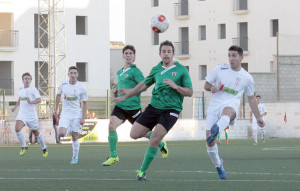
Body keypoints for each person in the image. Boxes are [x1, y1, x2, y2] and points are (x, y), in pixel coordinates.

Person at [113, 40, 193, 181]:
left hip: (171, 110)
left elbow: (190, 92)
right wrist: (125, 96)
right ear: (160, 53)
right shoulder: (156, 69)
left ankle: (142, 171)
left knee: (154, 139)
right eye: (164, 52)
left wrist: (176, 87)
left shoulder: (181, 70)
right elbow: (143, 86)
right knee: (134, 134)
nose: (166, 54)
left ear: (173, 54)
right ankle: (161, 143)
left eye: (169, 52)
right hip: (154, 107)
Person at [204, 45, 265, 179]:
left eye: (234, 56)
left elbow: (251, 99)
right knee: (209, 142)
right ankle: (218, 164)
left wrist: (258, 117)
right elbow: (206, 85)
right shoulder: (220, 69)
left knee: (228, 112)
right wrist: (212, 88)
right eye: (229, 55)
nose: (231, 59)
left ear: (241, 57)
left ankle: (217, 129)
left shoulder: (247, 77)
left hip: (231, 104)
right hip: (215, 105)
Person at [102, 45, 168, 166]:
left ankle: (161, 144)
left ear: (134, 57)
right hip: (121, 107)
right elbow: (122, 86)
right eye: (126, 53)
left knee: (144, 133)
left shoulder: (136, 71)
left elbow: (144, 86)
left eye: (130, 53)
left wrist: (129, 91)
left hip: (134, 109)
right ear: (123, 56)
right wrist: (116, 92)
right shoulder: (120, 72)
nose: (128, 55)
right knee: (111, 125)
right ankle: (113, 156)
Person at [54, 66, 88, 164]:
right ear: (68, 74)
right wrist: (56, 109)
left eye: (74, 73)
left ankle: (75, 157)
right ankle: (69, 129)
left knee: (74, 136)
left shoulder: (81, 87)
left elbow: (85, 103)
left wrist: (83, 117)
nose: (73, 75)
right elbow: (58, 95)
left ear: (77, 75)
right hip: (65, 113)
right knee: (61, 133)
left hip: (77, 114)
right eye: (71, 73)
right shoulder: (63, 84)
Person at [11, 72, 48, 158]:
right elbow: (20, 98)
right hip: (22, 113)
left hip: (31, 115)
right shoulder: (20, 89)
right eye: (25, 79)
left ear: (30, 80)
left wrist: (31, 102)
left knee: (36, 132)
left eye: (28, 78)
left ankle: (44, 148)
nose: (27, 80)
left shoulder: (33, 89)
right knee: (17, 128)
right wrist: (15, 107)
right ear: (22, 80)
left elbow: (39, 100)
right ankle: (24, 146)